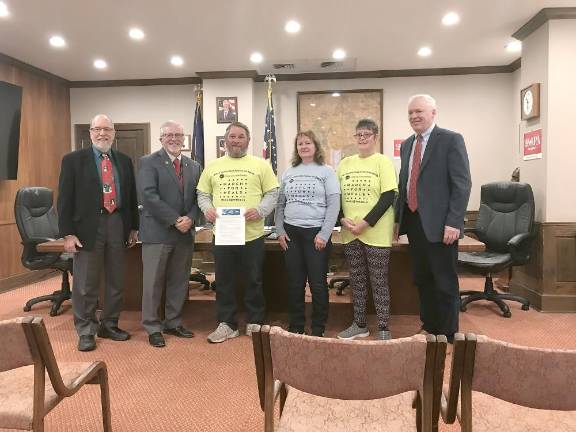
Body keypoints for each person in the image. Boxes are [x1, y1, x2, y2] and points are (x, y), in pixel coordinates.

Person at [58, 114, 139, 352]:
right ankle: (86, 330)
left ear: (114, 133)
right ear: (90, 132)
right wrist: (68, 234)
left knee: (116, 279)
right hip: (87, 228)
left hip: (117, 223)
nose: (102, 134)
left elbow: (132, 196)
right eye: (97, 129)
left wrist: (134, 226)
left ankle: (110, 324)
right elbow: (64, 200)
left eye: (107, 130)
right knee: (85, 283)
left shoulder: (124, 160)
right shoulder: (73, 160)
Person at [394, 94, 471, 342]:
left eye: (419, 111)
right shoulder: (407, 145)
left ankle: (448, 334)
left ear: (433, 113)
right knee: (423, 279)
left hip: (442, 226)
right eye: (410, 113)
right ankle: (429, 327)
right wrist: (398, 220)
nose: (414, 116)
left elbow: (462, 184)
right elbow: (404, 183)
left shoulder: (450, 140)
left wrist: (454, 222)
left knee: (445, 282)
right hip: (415, 223)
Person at [197, 121, 279, 343]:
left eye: (240, 136)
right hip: (223, 234)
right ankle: (227, 324)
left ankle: (255, 322)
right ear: (226, 140)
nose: (236, 140)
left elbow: (273, 193)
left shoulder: (261, 165)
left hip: (252, 235)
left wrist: (261, 210)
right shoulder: (212, 166)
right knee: (223, 280)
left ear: (248, 140)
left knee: (254, 279)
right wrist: (208, 210)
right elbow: (203, 195)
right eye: (232, 136)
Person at [138, 121, 202, 348]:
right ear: (161, 138)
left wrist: (191, 218)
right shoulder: (148, 162)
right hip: (158, 232)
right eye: (169, 135)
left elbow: (198, 198)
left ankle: (173, 322)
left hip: (184, 234)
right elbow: (149, 197)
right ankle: (153, 327)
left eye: (178, 135)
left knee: (179, 281)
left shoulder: (194, 165)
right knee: (153, 283)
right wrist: (176, 220)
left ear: (184, 139)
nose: (174, 139)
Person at [336, 119, 398, 340]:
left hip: (376, 233)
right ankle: (359, 324)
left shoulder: (383, 162)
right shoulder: (345, 164)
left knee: (379, 281)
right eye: (358, 134)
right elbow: (337, 197)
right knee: (358, 280)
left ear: (375, 137)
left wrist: (365, 223)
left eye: (366, 134)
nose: (362, 138)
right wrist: (342, 219)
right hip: (350, 232)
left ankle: (383, 327)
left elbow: (388, 197)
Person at [275, 131, 340, 337]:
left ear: (315, 146)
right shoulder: (289, 172)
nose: (303, 146)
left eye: (308, 143)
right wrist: (279, 230)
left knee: (317, 283)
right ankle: (296, 326)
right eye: (300, 143)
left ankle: (318, 328)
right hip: (291, 232)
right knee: (295, 282)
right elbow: (280, 204)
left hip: (316, 234)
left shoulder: (326, 171)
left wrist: (324, 233)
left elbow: (334, 204)